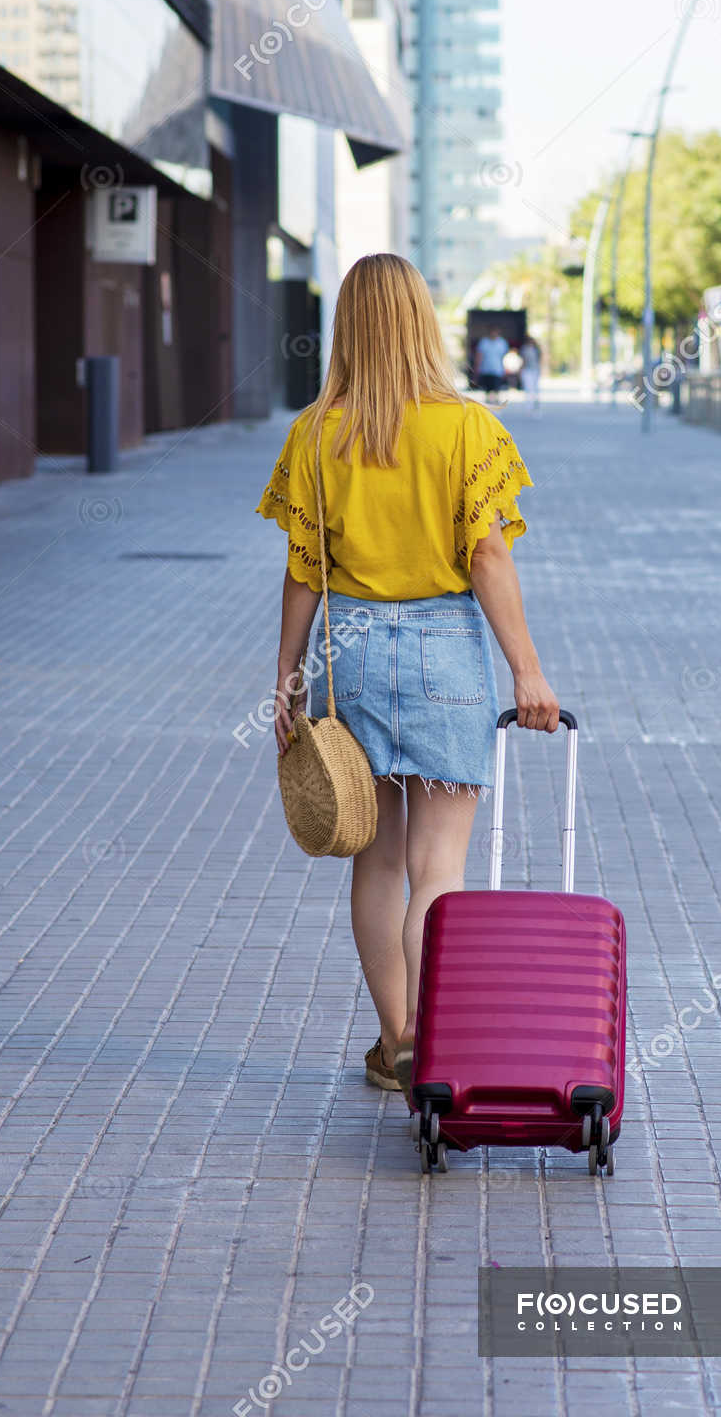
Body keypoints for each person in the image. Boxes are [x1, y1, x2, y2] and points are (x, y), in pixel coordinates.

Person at [257, 255, 559, 1096]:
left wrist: (286, 676)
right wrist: (527, 671)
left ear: (347, 326)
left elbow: (304, 567)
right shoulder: (468, 430)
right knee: (439, 870)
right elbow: (488, 553)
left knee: (377, 862)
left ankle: (396, 1040)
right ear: (423, 322)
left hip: (348, 651)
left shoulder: (316, 433)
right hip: (445, 652)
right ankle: (435, 1046)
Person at [473, 327, 509, 404]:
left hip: (498, 369)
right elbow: (479, 356)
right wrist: (477, 368)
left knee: (496, 388)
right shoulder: (484, 342)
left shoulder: (502, 343)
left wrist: (506, 369)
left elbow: (506, 357)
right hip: (486, 369)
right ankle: (489, 403)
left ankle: (495, 403)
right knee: (488, 389)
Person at [519, 334, 541, 411]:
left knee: (535, 387)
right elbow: (522, 360)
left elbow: (539, 359)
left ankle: (535, 402)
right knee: (528, 386)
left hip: (535, 370)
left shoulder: (536, 349)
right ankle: (529, 403)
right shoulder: (524, 349)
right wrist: (521, 370)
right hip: (527, 370)